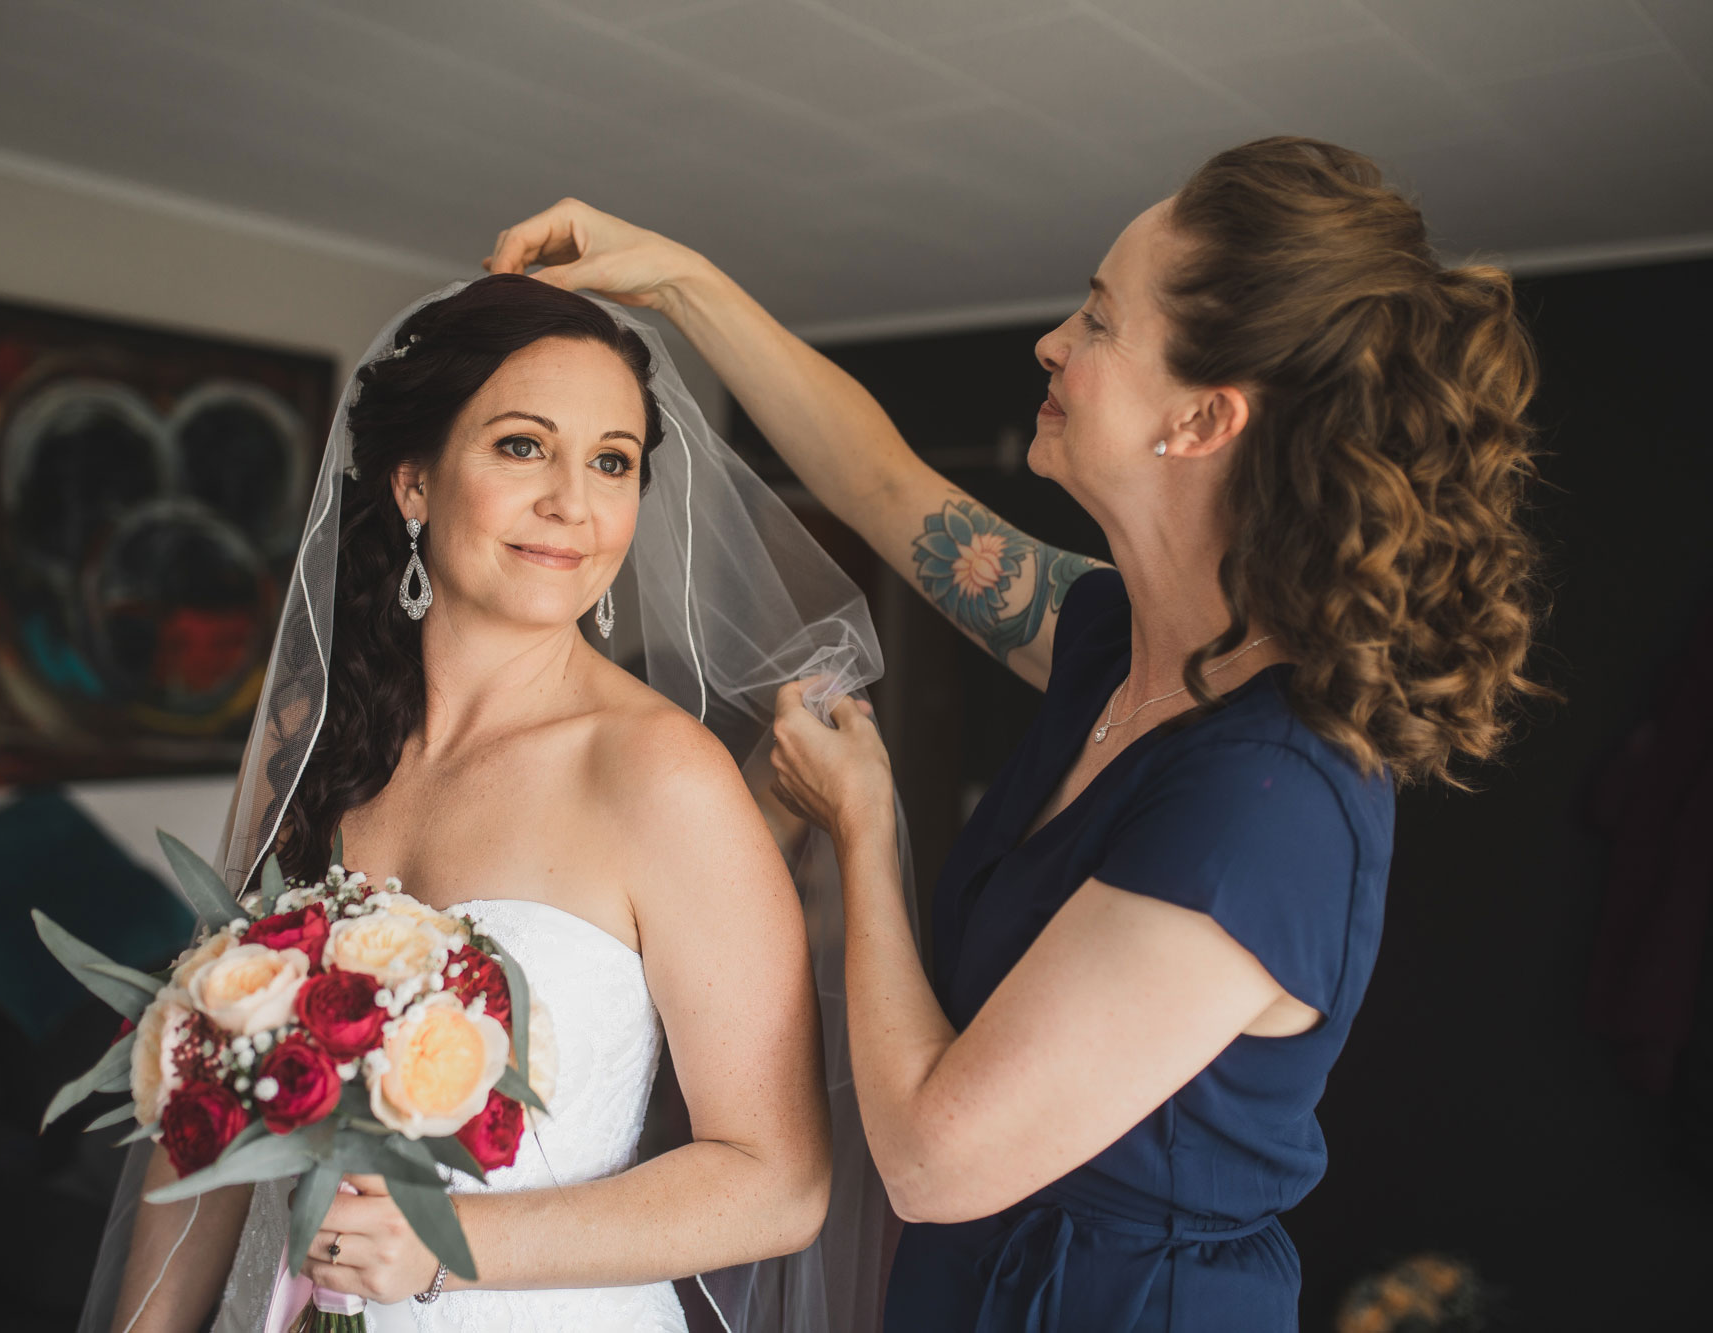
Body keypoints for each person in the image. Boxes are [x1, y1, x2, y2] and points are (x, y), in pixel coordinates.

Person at [484, 136, 1547, 1330]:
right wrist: (677, 279)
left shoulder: (1267, 802)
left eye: (1096, 320)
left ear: (1201, 417)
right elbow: (883, 486)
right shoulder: (1112, 642)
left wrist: (864, 825)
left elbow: (935, 1160)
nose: (1052, 342)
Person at [81, 274, 892, 1333]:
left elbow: (776, 1180)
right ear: (413, 482)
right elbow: (214, 1114)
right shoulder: (309, 745)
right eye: (522, 446)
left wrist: (443, 1249)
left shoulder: (660, 776)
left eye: (611, 461)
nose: (572, 500)